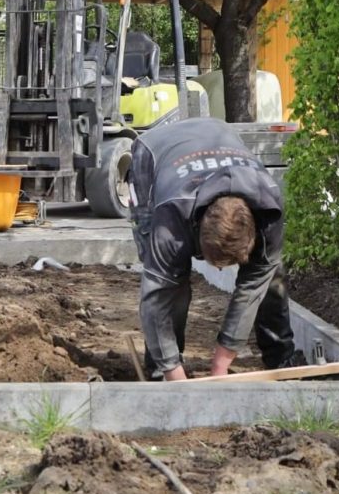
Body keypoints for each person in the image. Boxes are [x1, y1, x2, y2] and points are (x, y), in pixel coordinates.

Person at [129, 117, 306, 380]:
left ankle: (281, 356)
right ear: (196, 230)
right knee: (170, 279)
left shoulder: (269, 207)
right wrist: (174, 375)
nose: (221, 269)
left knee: (269, 272)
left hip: (218, 132)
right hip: (153, 152)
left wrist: (221, 366)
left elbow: (253, 285)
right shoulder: (172, 217)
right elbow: (157, 295)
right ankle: (161, 365)